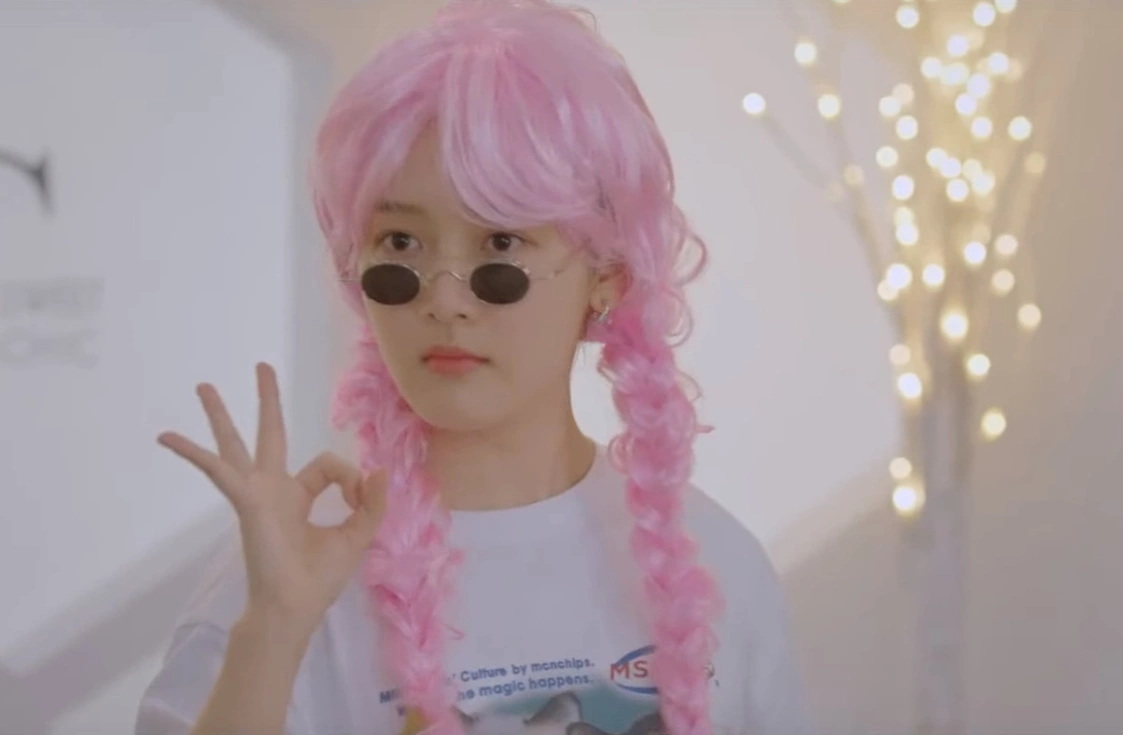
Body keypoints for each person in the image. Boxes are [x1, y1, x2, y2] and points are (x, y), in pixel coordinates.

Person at [134, 1, 805, 733]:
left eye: (501, 245)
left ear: (607, 275)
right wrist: (273, 628)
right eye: (400, 243)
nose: (445, 301)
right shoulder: (286, 582)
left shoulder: (721, 572)